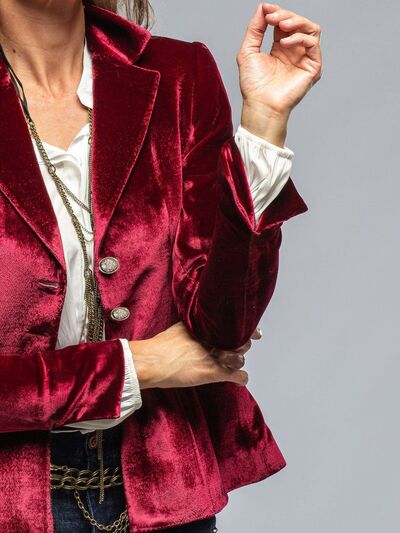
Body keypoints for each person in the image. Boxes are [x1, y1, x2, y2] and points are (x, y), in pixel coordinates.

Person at [0, 1, 322, 531]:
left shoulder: (178, 76)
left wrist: (264, 123)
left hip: (165, 491)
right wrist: (138, 366)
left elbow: (222, 327)